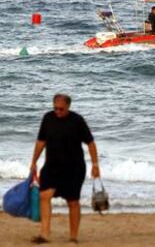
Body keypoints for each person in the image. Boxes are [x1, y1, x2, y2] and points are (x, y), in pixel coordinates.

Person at [29, 94, 100, 244]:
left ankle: (73, 237)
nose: (58, 112)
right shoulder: (48, 118)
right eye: (55, 108)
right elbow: (41, 141)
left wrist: (95, 165)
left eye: (61, 109)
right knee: (44, 196)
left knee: (73, 202)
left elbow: (91, 143)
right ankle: (45, 234)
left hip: (73, 168)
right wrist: (34, 161)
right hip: (51, 167)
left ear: (68, 106)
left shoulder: (77, 120)